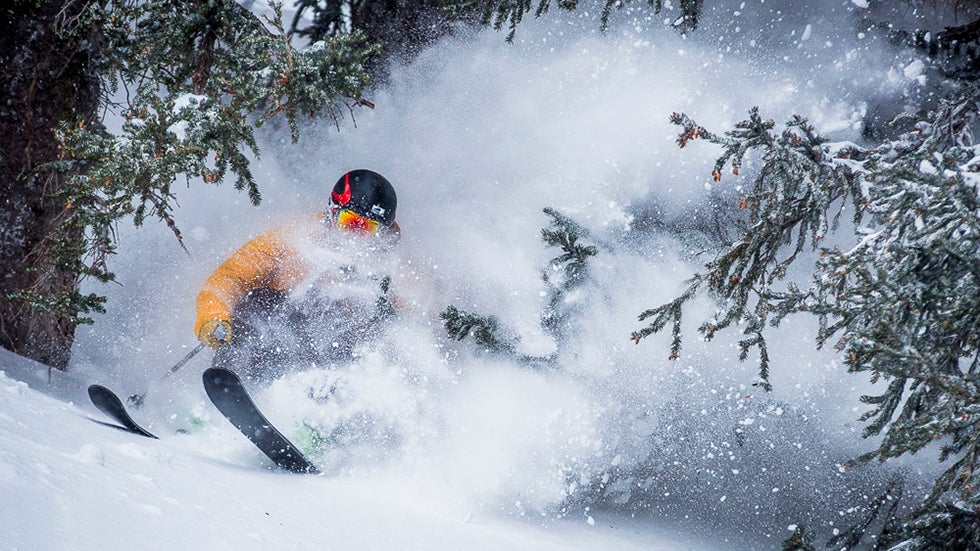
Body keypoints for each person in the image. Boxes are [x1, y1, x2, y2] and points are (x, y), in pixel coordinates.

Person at [193, 169, 402, 379]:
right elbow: (231, 277)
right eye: (349, 222)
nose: (354, 237)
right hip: (276, 345)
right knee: (259, 302)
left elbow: (414, 312)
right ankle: (231, 380)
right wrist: (213, 317)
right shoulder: (292, 241)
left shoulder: (393, 268)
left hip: (340, 358)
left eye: (367, 229)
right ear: (333, 211)